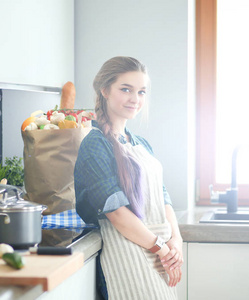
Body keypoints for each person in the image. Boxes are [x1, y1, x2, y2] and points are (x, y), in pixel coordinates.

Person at [74, 56, 183, 300]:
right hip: (126, 253)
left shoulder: (140, 143)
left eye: (141, 92)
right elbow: (117, 214)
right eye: (126, 89)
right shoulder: (95, 144)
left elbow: (163, 197)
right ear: (105, 90)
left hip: (159, 253)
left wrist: (176, 240)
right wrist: (161, 247)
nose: (135, 99)